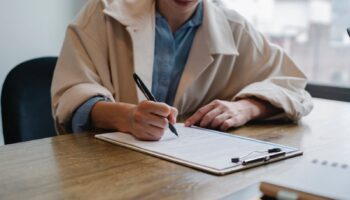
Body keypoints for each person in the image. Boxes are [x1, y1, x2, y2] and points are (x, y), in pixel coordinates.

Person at [51, 0, 313, 141]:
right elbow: (72, 96)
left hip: (194, 175)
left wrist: (245, 107)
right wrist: (126, 117)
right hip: (106, 169)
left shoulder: (235, 28)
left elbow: (293, 86)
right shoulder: (103, 11)